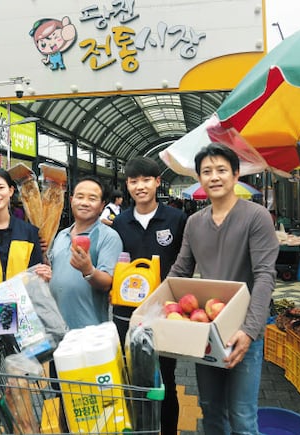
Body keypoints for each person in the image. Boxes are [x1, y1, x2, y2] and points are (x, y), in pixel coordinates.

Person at [167, 143, 279, 435]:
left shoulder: (256, 216)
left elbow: (265, 275)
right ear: (199, 179)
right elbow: (180, 271)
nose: (214, 177)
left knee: (242, 415)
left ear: (236, 174)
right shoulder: (194, 223)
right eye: (207, 171)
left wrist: (250, 330)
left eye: (221, 170)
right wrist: (155, 309)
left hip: (244, 329)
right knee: (210, 408)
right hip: (206, 328)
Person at [111, 156, 186, 435]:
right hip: (126, 316)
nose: (140, 186)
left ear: (157, 182)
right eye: (134, 181)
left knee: (165, 380)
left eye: (146, 180)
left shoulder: (176, 219)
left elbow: (186, 263)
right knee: (130, 378)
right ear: (128, 185)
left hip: (164, 314)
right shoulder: (120, 223)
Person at [0, 166, 51, 435]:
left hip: (21, 321)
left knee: (18, 388)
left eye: (0, 187)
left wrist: (44, 274)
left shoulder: (29, 232)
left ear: (10, 191)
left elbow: (35, 276)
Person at [48, 175, 123, 329]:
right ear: (71, 200)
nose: (84, 203)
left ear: (102, 205)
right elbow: (54, 272)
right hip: (57, 328)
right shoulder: (61, 235)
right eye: (80, 197)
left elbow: (107, 282)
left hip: (89, 330)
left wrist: (88, 270)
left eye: (92, 198)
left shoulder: (109, 237)